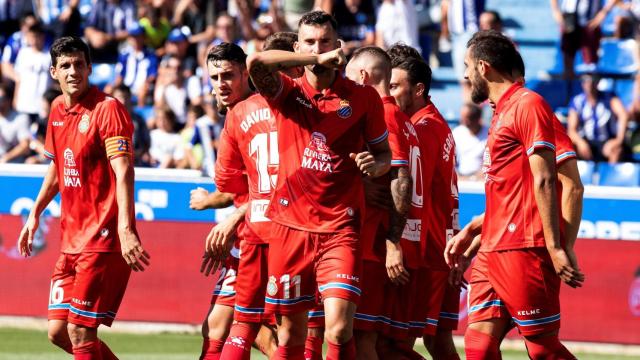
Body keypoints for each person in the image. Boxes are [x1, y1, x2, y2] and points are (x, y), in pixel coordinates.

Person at [247, 10, 391, 358]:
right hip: (289, 228)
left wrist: (376, 164)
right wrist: (313, 58)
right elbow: (255, 63)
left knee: (339, 330)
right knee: (292, 334)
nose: (319, 47)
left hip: (340, 228)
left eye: (326, 41)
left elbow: (384, 155)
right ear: (298, 47)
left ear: (339, 46)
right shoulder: (287, 93)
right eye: (310, 41)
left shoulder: (363, 97)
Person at [17, 35, 150, 359]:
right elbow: (58, 168)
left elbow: (123, 171)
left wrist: (125, 229)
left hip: (102, 238)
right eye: (65, 65)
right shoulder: (57, 110)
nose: (73, 71)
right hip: (71, 239)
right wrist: (35, 213)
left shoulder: (108, 109)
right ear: (53, 72)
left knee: (79, 329)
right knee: (58, 332)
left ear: (90, 68)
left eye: (79, 64)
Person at [458, 29, 583, 359]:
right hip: (492, 248)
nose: (465, 75)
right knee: (478, 345)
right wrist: (477, 226)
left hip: (523, 247)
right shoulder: (502, 110)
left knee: (542, 349)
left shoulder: (528, 104)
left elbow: (557, 182)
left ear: (483, 67)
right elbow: (513, 191)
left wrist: (559, 246)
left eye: (467, 66)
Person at [214, 32, 304, 360]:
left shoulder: (239, 114)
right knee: (300, 326)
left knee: (242, 323)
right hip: (298, 230)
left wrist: (228, 209)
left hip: (254, 230)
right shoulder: (307, 107)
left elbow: (227, 182)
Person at [196, 42, 279, 360]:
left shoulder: (263, 112)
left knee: (267, 334)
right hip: (247, 237)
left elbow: (276, 183)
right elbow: (242, 186)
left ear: (246, 73)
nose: (221, 84)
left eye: (228, 75)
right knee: (219, 327)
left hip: (270, 238)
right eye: (214, 77)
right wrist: (212, 202)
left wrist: (232, 218)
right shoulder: (235, 116)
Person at [387, 54, 461, 360]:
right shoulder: (435, 123)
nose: (389, 93)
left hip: (425, 251)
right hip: (440, 246)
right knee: (438, 343)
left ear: (418, 90)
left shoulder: (421, 130)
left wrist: (395, 243)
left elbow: (412, 195)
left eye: (394, 85)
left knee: (390, 346)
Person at [344, 46, 412, 360]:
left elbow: (401, 177)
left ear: (363, 76)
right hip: (375, 241)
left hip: (370, 244)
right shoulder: (400, 114)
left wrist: (392, 240)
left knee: (361, 340)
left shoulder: (383, 112)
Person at [567, 74, 629, 163]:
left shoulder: (609, 97)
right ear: (582, 83)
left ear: (598, 82)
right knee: (569, 148)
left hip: (607, 141)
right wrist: (580, 142)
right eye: (586, 80)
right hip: (587, 141)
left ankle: (609, 176)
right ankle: (575, 176)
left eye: (593, 80)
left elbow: (623, 115)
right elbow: (571, 130)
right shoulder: (577, 101)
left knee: (616, 150)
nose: (590, 84)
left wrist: (618, 140)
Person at [452, 103, 488, 180]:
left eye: (467, 118)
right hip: (460, 178)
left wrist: (479, 176)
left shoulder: (490, 134)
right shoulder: (457, 132)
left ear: (477, 118)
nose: (463, 121)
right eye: (462, 118)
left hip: (481, 180)